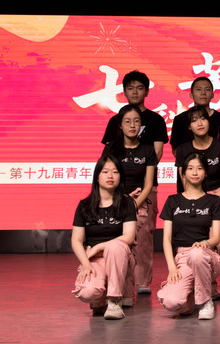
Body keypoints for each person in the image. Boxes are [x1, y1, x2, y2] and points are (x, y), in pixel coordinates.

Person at [101, 70, 168, 294]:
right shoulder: (115, 120)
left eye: (140, 88)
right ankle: (119, 280)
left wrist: (140, 166)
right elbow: (108, 159)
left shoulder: (156, 120)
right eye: (130, 88)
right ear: (124, 91)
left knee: (145, 234)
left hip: (146, 186)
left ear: (147, 91)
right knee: (116, 233)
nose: (135, 92)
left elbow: (157, 153)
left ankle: (142, 282)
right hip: (117, 190)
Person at [157, 153, 220, 320]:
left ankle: (206, 302)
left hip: (206, 256)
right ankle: (190, 298)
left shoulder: (213, 201)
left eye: (200, 168)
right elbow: (166, 239)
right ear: (183, 173)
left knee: (197, 254)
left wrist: (205, 243)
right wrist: (172, 267)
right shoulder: (172, 201)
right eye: (190, 168)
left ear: (206, 173)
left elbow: (216, 237)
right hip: (182, 259)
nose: (195, 172)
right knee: (172, 302)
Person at [71, 155, 137, 320]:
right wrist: (86, 264)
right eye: (105, 172)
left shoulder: (127, 203)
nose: (110, 176)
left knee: (115, 246)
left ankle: (115, 300)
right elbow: (76, 240)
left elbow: (128, 237)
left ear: (120, 176)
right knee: (88, 292)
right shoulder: (84, 206)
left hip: (120, 256)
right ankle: (100, 299)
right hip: (94, 259)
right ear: (97, 176)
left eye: (115, 172)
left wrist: (99, 246)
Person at [103, 104, 158, 299]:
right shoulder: (112, 148)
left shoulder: (147, 149)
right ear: (120, 125)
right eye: (127, 122)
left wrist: (134, 204)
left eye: (136, 121)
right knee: (118, 245)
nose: (132, 125)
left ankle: (132, 287)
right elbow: (105, 176)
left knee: (135, 244)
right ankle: (121, 290)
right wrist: (118, 202)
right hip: (115, 202)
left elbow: (149, 183)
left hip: (139, 203)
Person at [175, 106, 220, 255]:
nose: (200, 123)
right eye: (194, 120)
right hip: (194, 199)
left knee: (219, 244)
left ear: (209, 122)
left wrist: (212, 200)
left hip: (218, 197)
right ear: (189, 126)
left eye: (203, 119)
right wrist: (200, 201)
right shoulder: (183, 149)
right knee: (198, 244)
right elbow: (185, 182)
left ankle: (212, 267)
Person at [170, 76, 220, 158]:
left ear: (213, 95)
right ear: (191, 95)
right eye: (198, 89)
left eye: (207, 89)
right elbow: (175, 150)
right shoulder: (180, 119)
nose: (203, 93)